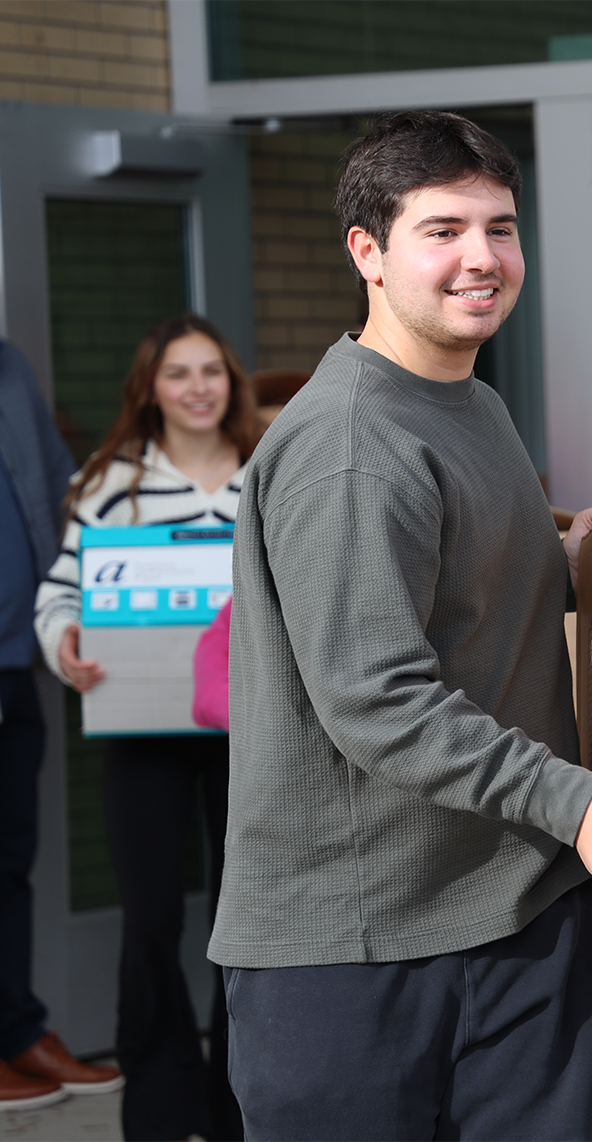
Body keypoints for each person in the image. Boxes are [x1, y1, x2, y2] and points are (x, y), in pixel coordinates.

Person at [209, 110, 592, 1142]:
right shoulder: (349, 441)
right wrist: (577, 799)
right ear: (368, 252)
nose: (482, 258)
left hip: (515, 916)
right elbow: (377, 695)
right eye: (443, 229)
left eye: (500, 227)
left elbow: (465, 581)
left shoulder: (468, 401)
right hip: (359, 956)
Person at [33, 314, 254, 1142]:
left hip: (252, 735)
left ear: (230, 382)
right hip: (143, 734)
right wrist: (66, 642)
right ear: (149, 390)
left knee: (247, 916)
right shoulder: (111, 483)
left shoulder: (268, 471)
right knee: (152, 917)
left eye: (212, 371)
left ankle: (239, 1104)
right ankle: (160, 1111)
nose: (198, 387)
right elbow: (59, 592)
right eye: (177, 373)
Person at [0, 340, 123, 1112]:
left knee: (11, 858)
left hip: (16, 665)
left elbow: (51, 487)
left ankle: (16, 1030)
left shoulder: (8, 366)